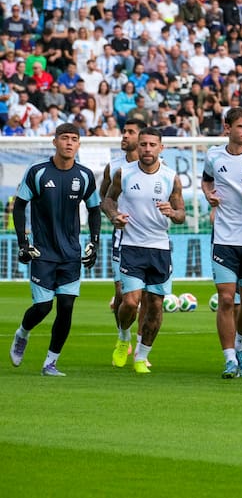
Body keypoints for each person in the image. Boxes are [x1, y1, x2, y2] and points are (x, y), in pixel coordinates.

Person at [9, 123, 101, 376]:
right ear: (55, 142)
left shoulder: (84, 175)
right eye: (64, 138)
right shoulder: (38, 171)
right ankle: (22, 333)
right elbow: (20, 206)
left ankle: (50, 362)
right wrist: (23, 243)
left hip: (71, 253)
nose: (69, 143)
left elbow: (94, 209)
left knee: (67, 306)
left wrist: (94, 242)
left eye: (74, 139)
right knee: (43, 307)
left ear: (78, 144)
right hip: (43, 252)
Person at [105, 128, 186, 374]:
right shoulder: (123, 173)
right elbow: (108, 200)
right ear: (138, 146)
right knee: (130, 302)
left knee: (155, 306)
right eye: (143, 144)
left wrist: (173, 212)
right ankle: (123, 337)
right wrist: (114, 215)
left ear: (161, 148)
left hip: (159, 248)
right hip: (131, 246)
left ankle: (142, 356)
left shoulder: (171, 177)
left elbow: (181, 214)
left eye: (152, 144)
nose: (147, 149)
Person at [202, 107, 242, 379]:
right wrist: (209, 195)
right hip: (224, 237)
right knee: (226, 299)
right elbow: (206, 181)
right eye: (241, 126)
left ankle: (241, 345)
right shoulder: (214, 155)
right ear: (227, 128)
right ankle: (228, 358)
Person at [100, 118, 144, 348]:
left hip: (151, 239)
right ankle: (123, 336)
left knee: (149, 298)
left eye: (131, 132)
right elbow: (104, 197)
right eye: (124, 131)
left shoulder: (161, 168)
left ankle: (141, 349)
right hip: (123, 237)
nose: (125, 135)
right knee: (121, 293)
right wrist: (113, 215)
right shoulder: (114, 167)